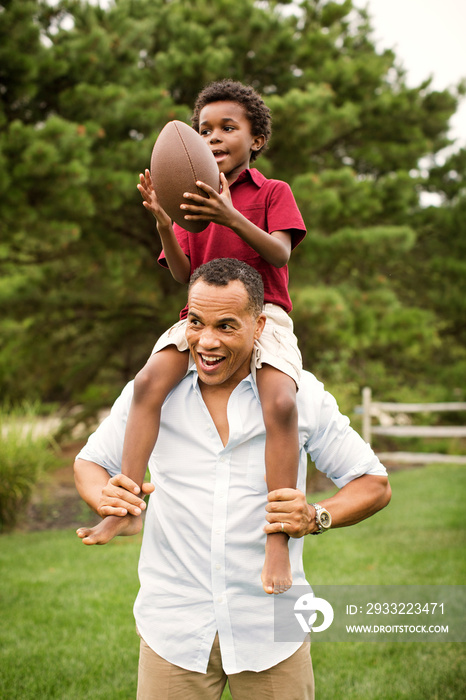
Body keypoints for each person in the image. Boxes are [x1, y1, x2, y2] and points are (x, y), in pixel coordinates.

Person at [75, 258, 391, 700]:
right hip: (174, 629)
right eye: (197, 323)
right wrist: (106, 498)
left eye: (226, 326)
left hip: (273, 628)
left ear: (259, 324)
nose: (206, 341)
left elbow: (373, 483)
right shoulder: (153, 393)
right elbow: (89, 463)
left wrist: (316, 516)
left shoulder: (301, 394)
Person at [79, 79, 307, 596]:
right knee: (146, 383)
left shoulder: (273, 193)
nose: (214, 138)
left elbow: (279, 255)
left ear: (258, 139)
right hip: (199, 315)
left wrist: (229, 214)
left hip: (264, 312)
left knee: (281, 404)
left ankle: (277, 537)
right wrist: (164, 222)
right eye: (204, 130)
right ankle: (130, 504)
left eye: (229, 127)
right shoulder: (189, 202)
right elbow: (183, 272)